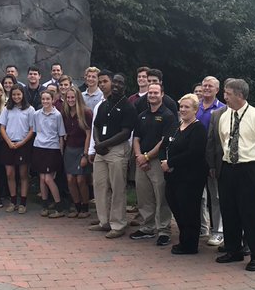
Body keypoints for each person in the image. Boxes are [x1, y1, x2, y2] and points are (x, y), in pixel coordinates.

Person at [213, 79, 255, 272]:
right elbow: (224, 139)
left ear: (239, 95)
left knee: (251, 214)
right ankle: (234, 251)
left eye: (228, 93)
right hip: (228, 168)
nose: (224, 97)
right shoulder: (225, 116)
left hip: (248, 169)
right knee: (229, 210)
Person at [89, 73, 136, 238]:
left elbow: (126, 132)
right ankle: (104, 221)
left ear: (124, 86)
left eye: (120, 82)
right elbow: (95, 126)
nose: (116, 85)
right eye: (114, 81)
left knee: (117, 188)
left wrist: (105, 144)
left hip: (117, 150)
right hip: (101, 150)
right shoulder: (104, 105)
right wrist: (97, 143)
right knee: (100, 186)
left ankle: (118, 224)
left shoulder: (128, 107)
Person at [164, 94, 209, 255]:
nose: (182, 110)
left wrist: (170, 163)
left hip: (191, 178)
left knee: (189, 210)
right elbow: (168, 144)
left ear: (195, 110)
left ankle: (190, 244)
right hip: (173, 177)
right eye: (181, 107)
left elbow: (193, 153)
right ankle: (184, 239)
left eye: (187, 107)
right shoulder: (177, 126)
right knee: (177, 207)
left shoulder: (198, 129)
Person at [131, 83, 176, 245]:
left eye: (156, 92)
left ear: (162, 94)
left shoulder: (168, 115)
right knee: (144, 196)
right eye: (150, 93)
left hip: (157, 161)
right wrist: (139, 156)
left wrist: (147, 157)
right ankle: (147, 227)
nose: (152, 95)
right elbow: (136, 138)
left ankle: (164, 230)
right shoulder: (142, 115)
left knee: (161, 196)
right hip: (141, 161)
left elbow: (164, 141)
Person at [198, 76, 227, 247]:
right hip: (195, 159)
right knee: (198, 196)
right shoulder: (195, 107)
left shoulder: (222, 109)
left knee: (215, 196)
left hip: (213, 160)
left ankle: (219, 231)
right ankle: (203, 227)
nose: (207, 88)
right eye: (204, 85)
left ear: (217, 90)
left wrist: (214, 163)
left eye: (211, 86)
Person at [0, 86, 34, 214]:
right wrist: (8, 141)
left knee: (23, 174)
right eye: (14, 95)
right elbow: (2, 127)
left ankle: (23, 202)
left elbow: (32, 129)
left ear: (23, 95)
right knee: (9, 173)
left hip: (23, 145)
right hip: (8, 144)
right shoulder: (7, 109)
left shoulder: (30, 110)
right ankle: (13, 201)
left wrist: (22, 142)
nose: (16, 97)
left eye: (19, 94)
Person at [32, 91, 65, 218]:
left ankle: (59, 206)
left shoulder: (57, 115)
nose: (45, 101)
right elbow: (35, 131)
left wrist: (60, 153)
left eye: (48, 99)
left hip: (52, 149)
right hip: (39, 147)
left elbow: (61, 135)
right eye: (43, 99)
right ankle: (44, 205)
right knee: (42, 178)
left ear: (52, 100)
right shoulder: (36, 114)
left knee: (48, 178)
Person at [61, 88, 93, 218]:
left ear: (78, 98)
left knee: (80, 179)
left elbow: (88, 134)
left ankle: (85, 207)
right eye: (68, 98)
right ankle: (77, 206)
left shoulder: (86, 112)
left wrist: (86, 154)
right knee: (70, 179)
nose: (70, 100)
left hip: (81, 148)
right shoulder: (65, 113)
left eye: (73, 97)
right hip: (69, 149)